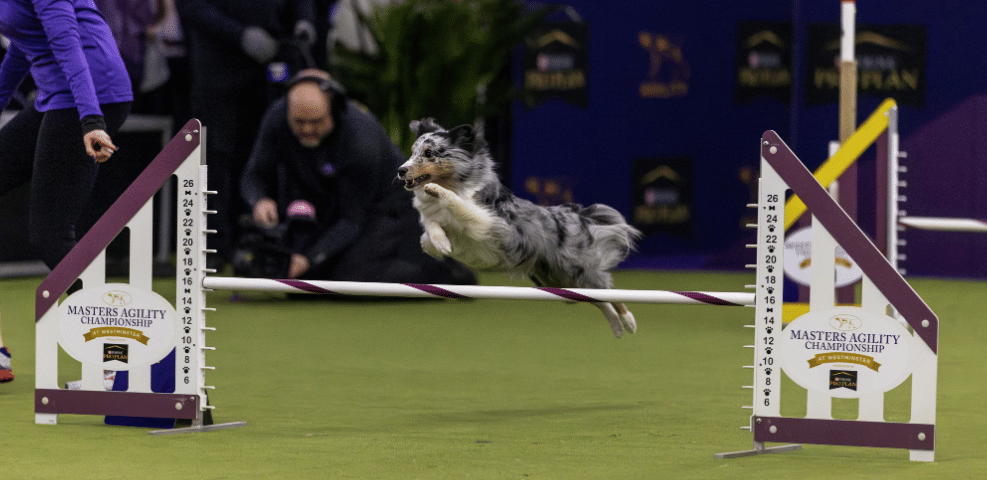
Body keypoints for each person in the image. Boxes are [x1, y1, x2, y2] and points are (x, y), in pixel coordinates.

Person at [0, 0, 134, 383]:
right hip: (58, 95)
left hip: (90, 96)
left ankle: (117, 361)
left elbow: (66, 42)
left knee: (51, 235)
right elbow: (24, 47)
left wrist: (90, 119)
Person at [239, 69, 475, 285]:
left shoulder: (361, 140)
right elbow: (254, 175)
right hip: (336, 204)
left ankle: (446, 274)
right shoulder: (277, 117)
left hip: (388, 208)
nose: (307, 130)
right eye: (299, 122)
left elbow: (351, 221)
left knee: (350, 277)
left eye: (316, 122)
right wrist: (259, 199)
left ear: (333, 108)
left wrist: (307, 259)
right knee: (313, 276)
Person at [176, 0, 319, 270]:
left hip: (272, 58)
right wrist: (238, 35)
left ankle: (269, 242)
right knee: (216, 156)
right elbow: (192, 8)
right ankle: (214, 246)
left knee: (271, 153)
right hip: (217, 65)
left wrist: (305, 21)